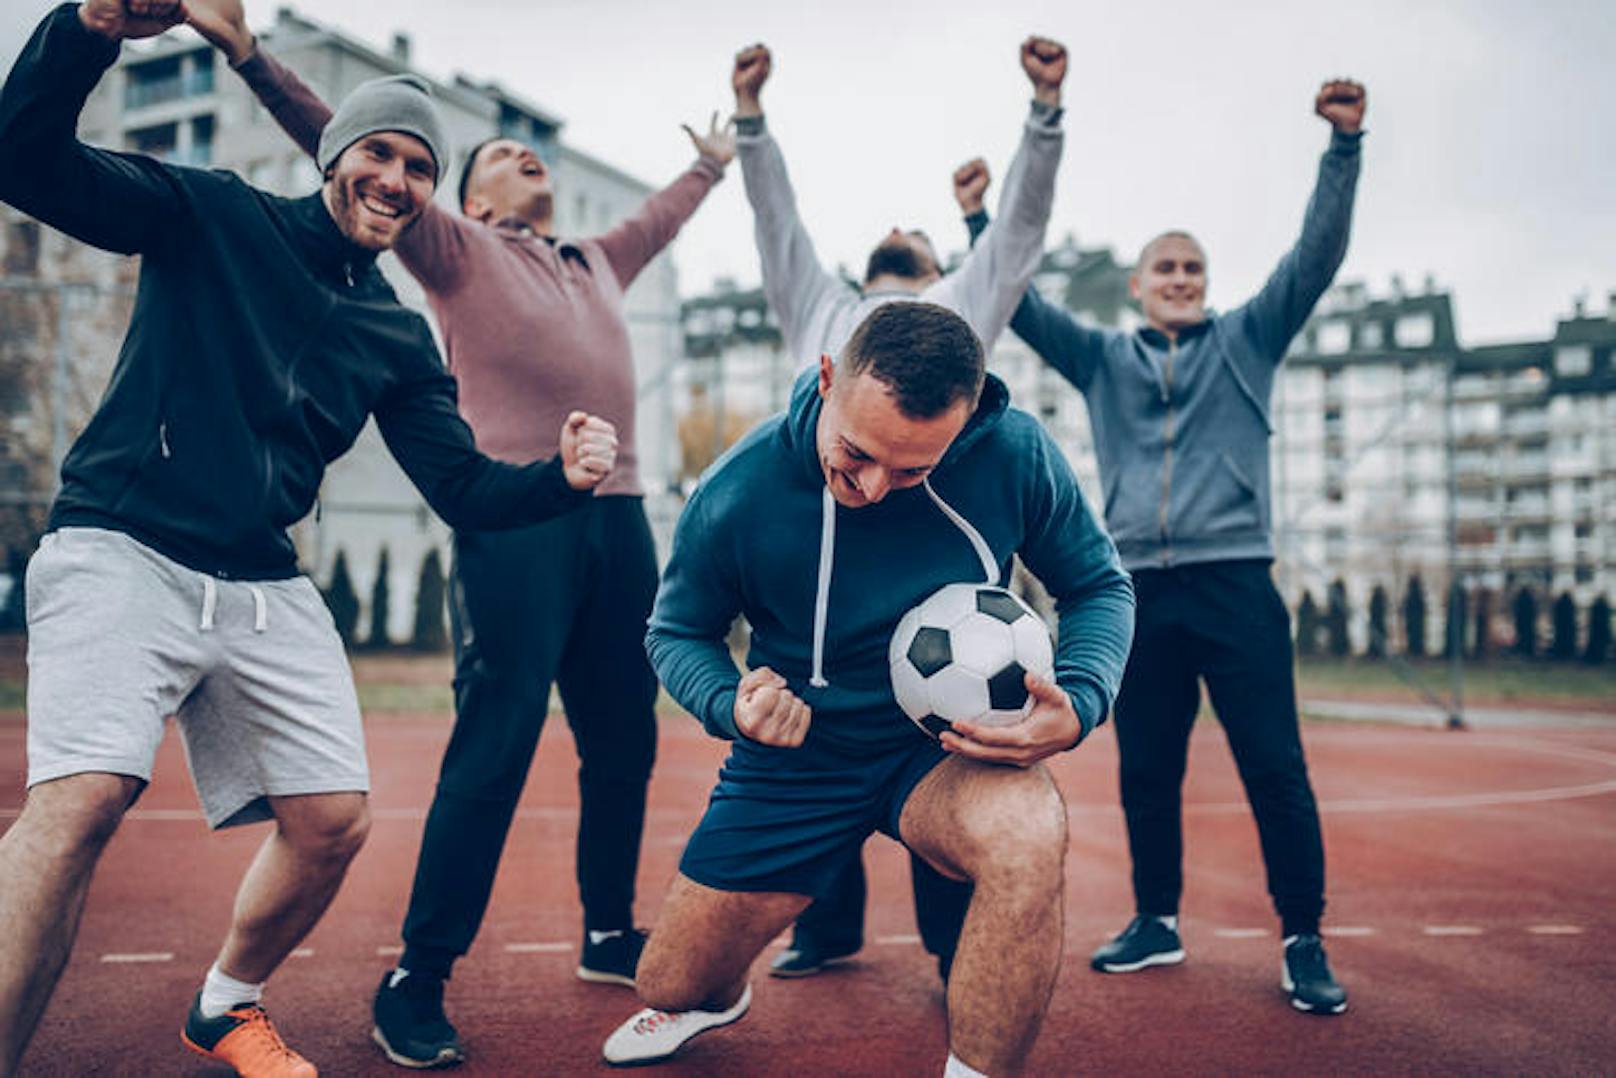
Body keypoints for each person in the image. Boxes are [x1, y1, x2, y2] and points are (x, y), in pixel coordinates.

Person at [0, 3, 619, 1076]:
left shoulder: (394, 334)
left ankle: (225, 1004)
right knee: (82, 799)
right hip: (121, 544)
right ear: (335, 156)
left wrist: (559, 481)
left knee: (333, 820)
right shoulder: (210, 212)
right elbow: (24, 161)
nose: (396, 178)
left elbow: (464, 487)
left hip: (257, 580)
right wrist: (88, 28)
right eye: (377, 151)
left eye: (418, 165)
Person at [183, 0, 735, 1065]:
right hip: (515, 522)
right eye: (510, 155)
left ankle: (610, 930)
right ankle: (417, 974)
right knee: (499, 742)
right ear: (472, 193)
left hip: (616, 522)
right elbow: (331, 138)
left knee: (624, 733)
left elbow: (660, 218)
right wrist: (248, 55)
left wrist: (716, 159)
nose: (533, 161)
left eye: (536, 154)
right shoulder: (455, 245)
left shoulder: (592, 259)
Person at [600, 301, 1136, 1075]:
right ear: (826, 381)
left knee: (1028, 838)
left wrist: (1082, 699)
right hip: (798, 758)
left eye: (914, 468)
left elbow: (1098, 586)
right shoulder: (737, 490)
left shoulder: (1013, 453)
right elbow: (674, 632)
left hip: (948, 749)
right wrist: (731, 702)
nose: (877, 486)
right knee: (667, 979)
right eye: (857, 454)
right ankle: (715, 996)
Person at [952, 78, 1368, 1015]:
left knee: (1274, 765)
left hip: (1235, 584)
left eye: (1192, 268)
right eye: (1164, 269)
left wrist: (1344, 147)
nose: (1180, 279)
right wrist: (980, 221)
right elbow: (1016, 299)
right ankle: (1157, 921)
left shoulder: (1252, 338)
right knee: (1148, 767)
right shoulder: (1102, 359)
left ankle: (1303, 936)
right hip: (1137, 588)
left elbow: (1318, 253)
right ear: (1138, 287)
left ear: (1206, 285)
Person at [730, 34, 1067, 981]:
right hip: (825, 566)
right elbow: (775, 224)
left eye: (913, 239)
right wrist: (750, 122)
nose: (896, 235)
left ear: (933, 268)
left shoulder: (965, 307)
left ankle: (952, 947)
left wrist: (1044, 116)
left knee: (951, 725)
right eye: (892, 241)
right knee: (816, 726)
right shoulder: (821, 310)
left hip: (938, 573)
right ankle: (826, 927)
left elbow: (1022, 233)